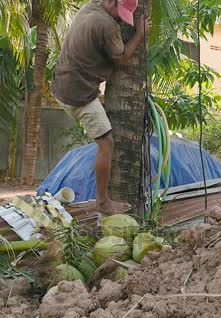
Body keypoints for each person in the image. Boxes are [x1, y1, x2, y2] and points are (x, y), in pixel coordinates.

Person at [51, 0, 151, 215]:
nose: (119, 19)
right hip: (78, 94)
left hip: (62, 83)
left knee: (104, 138)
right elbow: (122, 58)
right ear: (111, 2)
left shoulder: (90, 6)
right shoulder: (107, 25)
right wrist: (139, 34)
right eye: (120, 13)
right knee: (106, 143)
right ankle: (103, 201)